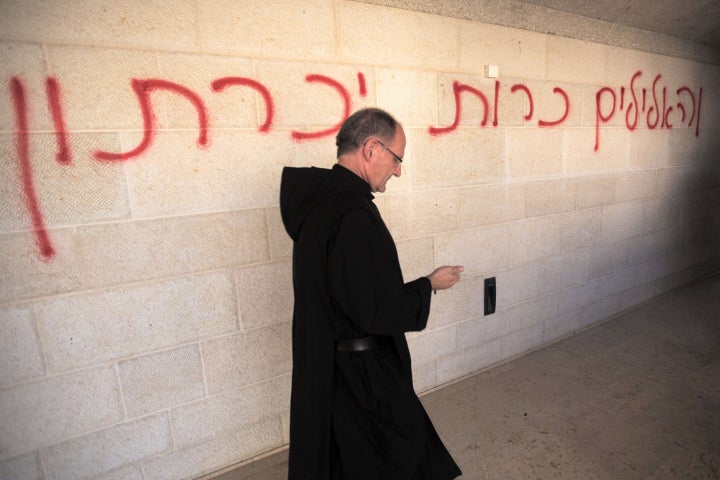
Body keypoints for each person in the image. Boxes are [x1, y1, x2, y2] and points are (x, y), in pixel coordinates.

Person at [280, 108, 464, 479]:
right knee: (399, 456)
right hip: (360, 380)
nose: (398, 170)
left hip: (333, 370)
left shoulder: (321, 205)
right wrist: (428, 284)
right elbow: (375, 309)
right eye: (397, 159)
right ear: (371, 149)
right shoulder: (351, 215)